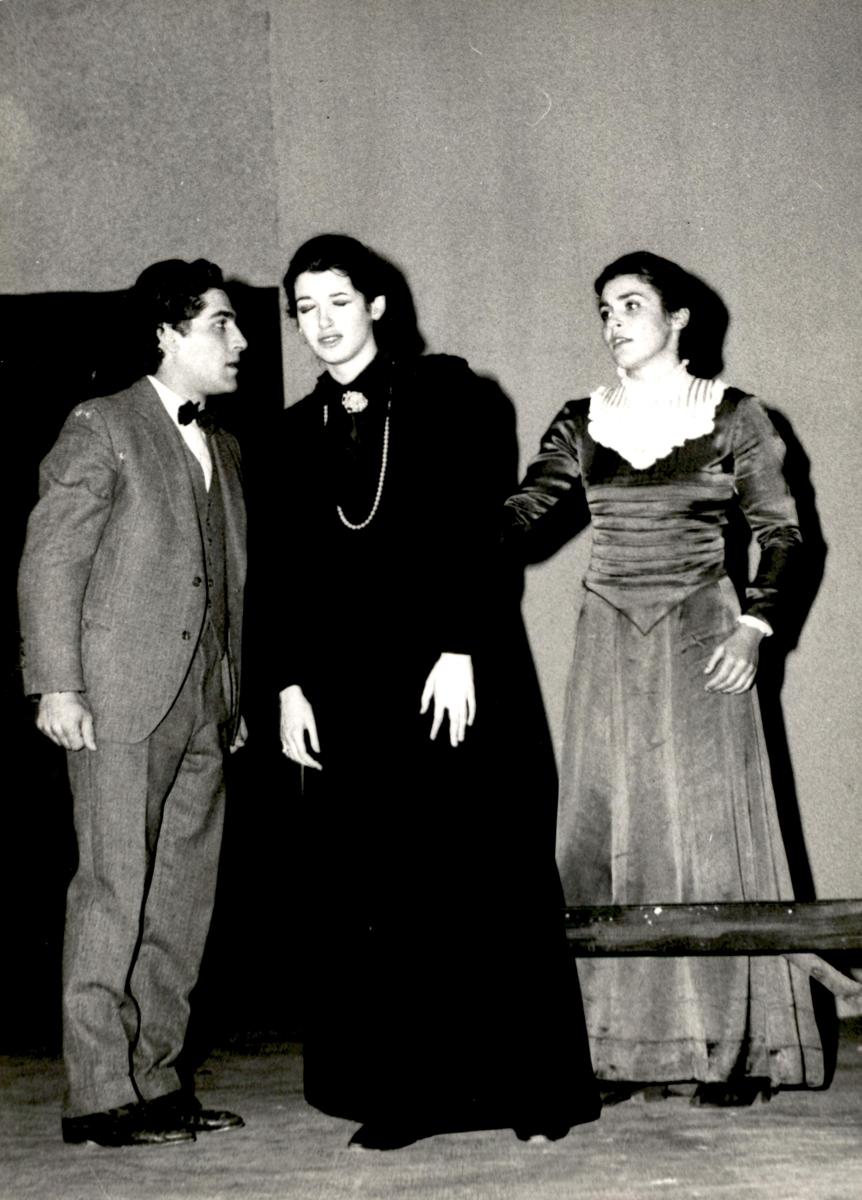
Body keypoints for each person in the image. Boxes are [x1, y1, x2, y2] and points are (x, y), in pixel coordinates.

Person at [277, 233, 600, 1150]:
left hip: (451, 667)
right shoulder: (294, 432)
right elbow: (288, 570)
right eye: (305, 308)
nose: (322, 323)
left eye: (339, 301)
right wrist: (290, 684)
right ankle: (403, 1093)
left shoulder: (453, 396)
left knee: (481, 869)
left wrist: (461, 644)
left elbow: (478, 531)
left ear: (378, 305)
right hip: (347, 688)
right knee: (380, 883)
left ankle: (528, 1088)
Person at [503, 251, 825, 1105]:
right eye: (605, 309)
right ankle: (610, 1051)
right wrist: (441, 532)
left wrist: (756, 626)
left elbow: (784, 535)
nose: (614, 322)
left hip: (704, 634)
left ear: (678, 318)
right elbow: (527, 512)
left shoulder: (735, 416)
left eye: (631, 305)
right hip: (609, 638)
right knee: (601, 835)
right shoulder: (581, 420)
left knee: (710, 838)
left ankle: (735, 1051)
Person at [18, 259, 250, 1147]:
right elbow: (52, 560)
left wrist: (229, 695)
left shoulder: (225, 446)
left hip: (204, 705)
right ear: (166, 334)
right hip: (117, 700)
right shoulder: (103, 423)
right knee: (113, 891)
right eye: (220, 324)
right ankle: (98, 1094)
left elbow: (225, 582)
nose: (238, 341)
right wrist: (57, 682)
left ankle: (155, 1079)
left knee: (182, 899)